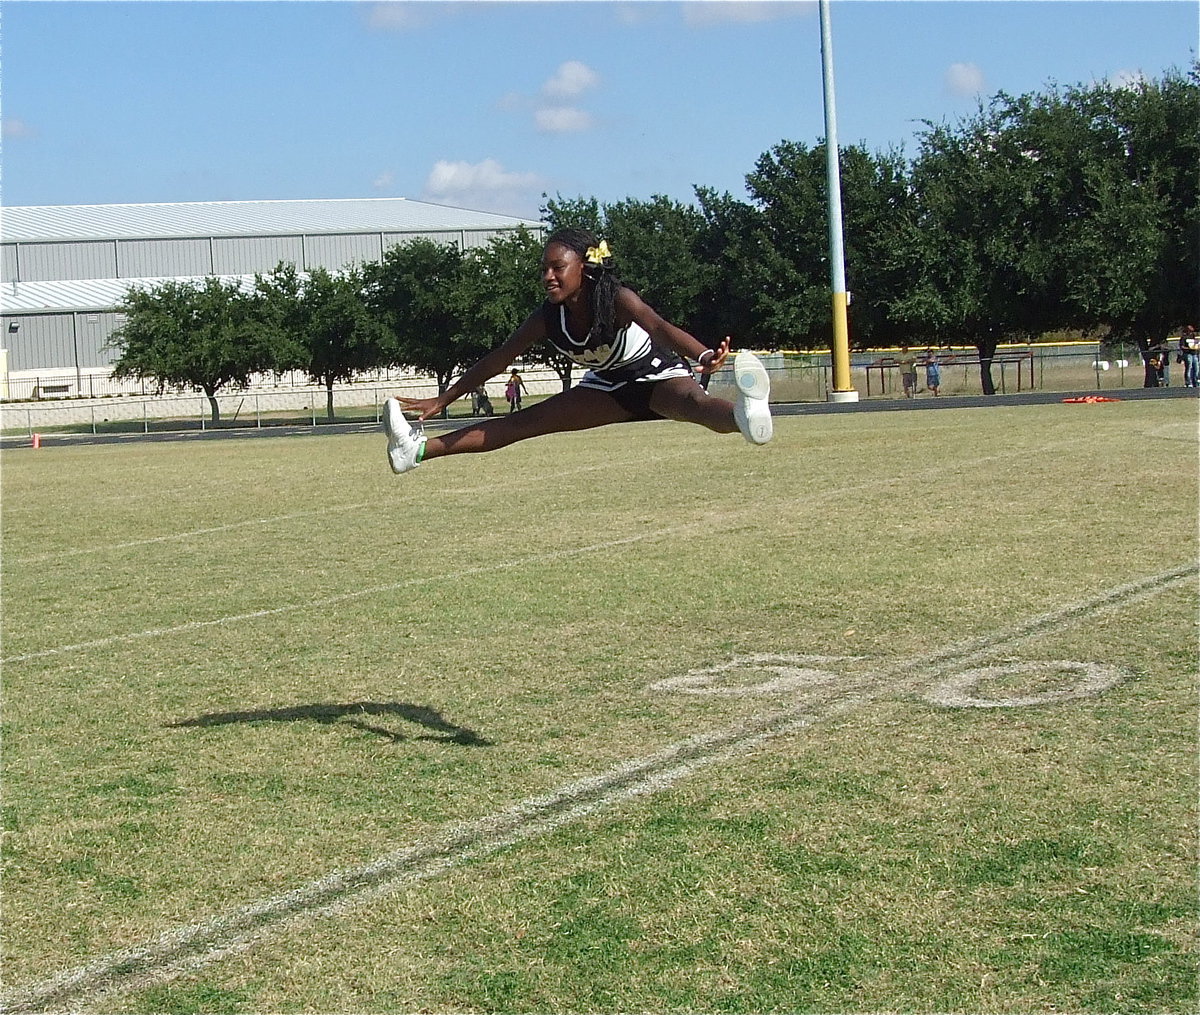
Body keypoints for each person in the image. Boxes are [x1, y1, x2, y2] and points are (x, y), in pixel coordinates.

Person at [382, 228, 772, 475]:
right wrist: (445, 397)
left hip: (654, 374)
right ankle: (413, 451)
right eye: (543, 268)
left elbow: (658, 326)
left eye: (557, 267)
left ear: (583, 268)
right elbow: (499, 358)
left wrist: (704, 356)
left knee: (698, 408)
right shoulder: (547, 317)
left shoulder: (618, 299)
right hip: (605, 388)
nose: (548, 276)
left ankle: (746, 414)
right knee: (522, 423)